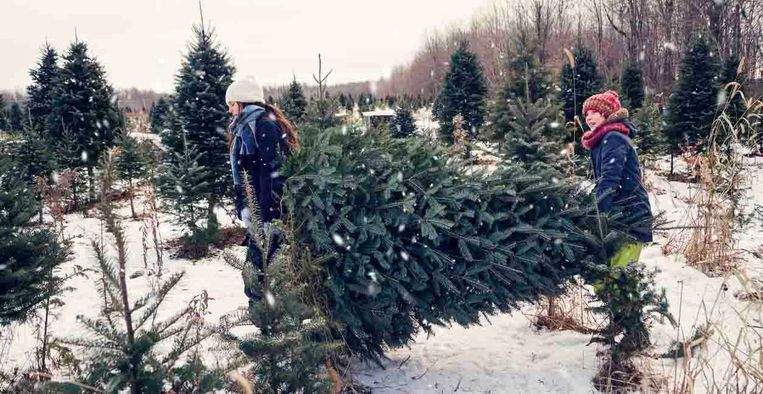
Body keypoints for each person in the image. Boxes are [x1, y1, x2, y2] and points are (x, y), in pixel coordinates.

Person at [226, 76, 298, 301]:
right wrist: (243, 207)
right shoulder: (244, 128)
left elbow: (274, 175)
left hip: (269, 217)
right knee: (256, 278)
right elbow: (243, 174)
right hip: (258, 214)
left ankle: (276, 327)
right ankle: (268, 326)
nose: (229, 110)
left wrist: (270, 219)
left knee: (260, 278)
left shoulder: (264, 124)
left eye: (231, 104)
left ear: (242, 103)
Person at [582, 90, 653, 270]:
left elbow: (609, 181)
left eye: (595, 112)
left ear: (607, 114)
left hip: (630, 214)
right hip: (617, 213)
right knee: (605, 278)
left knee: (619, 279)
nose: (589, 118)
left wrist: (594, 215)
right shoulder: (602, 139)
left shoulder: (613, 137)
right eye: (586, 114)